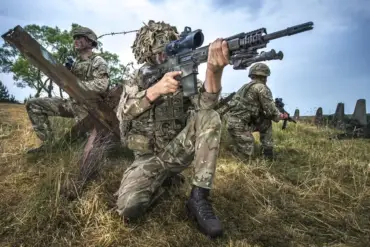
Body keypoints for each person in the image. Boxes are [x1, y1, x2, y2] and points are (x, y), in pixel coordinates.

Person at [114, 20, 229, 238]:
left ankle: (199, 198)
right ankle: (162, 183)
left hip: (177, 150)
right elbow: (123, 111)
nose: (163, 59)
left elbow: (206, 108)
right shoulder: (136, 79)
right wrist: (154, 91)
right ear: (146, 54)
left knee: (211, 116)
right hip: (147, 158)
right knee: (128, 208)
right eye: (158, 55)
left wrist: (214, 72)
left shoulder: (183, 74)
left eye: (166, 53)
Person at [25, 26, 109, 153]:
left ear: (90, 41)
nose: (75, 40)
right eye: (75, 38)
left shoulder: (98, 61)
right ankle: (48, 146)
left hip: (89, 108)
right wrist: (67, 73)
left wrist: (76, 83)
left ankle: (96, 151)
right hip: (72, 103)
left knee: (85, 147)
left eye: (80, 37)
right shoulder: (75, 63)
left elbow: (101, 86)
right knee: (33, 104)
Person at [225, 62, 288, 159]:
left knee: (265, 123)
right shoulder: (261, 88)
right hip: (240, 126)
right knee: (248, 158)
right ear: (265, 76)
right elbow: (271, 112)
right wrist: (282, 116)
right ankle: (263, 155)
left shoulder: (245, 87)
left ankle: (268, 155)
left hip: (233, 123)